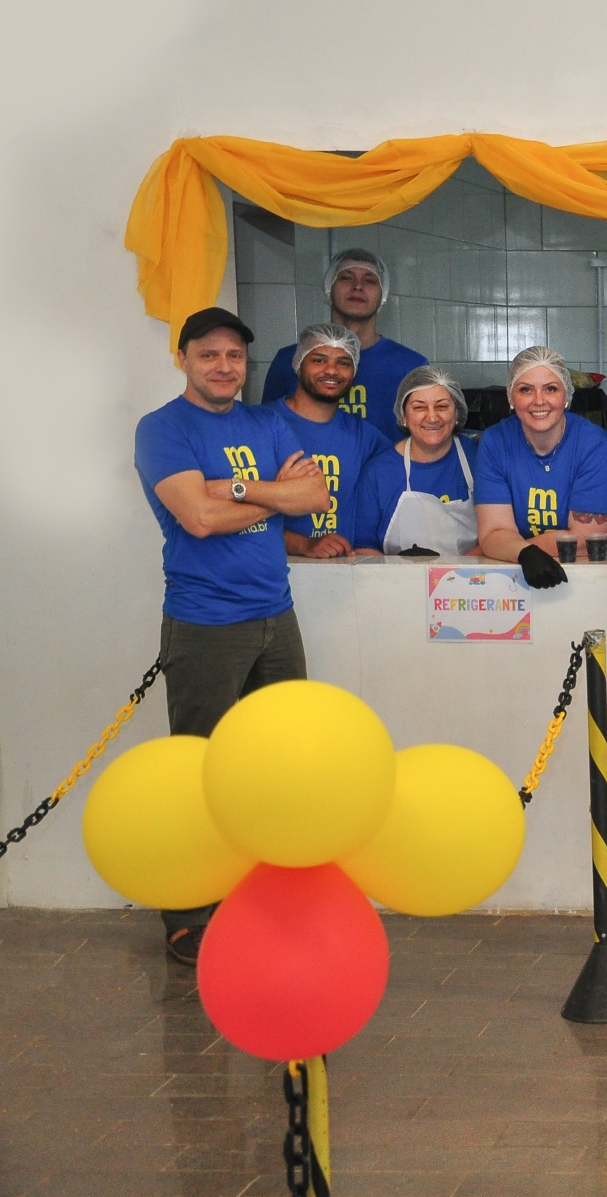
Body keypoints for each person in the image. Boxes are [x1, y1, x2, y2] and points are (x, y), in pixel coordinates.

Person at [132, 307, 329, 964]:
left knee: (278, 766)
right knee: (199, 771)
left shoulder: (266, 421)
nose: (224, 367)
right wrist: (273, 494)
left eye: (234, 356)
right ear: (183, 359)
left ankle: (265, 898)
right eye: (209, 354)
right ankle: (189, 913)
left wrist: (238, 487)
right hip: (206, 622)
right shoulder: (163, 428)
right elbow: (199, 518)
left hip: (277, 615)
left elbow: (315, 496)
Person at [473, 346, 607, 589]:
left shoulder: (593, 443)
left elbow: (586, 540)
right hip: (517, 569)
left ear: (566, 396)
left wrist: (513, 547)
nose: (539, 401)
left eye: (551, 389)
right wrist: (523, 553)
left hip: (589, 572)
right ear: (511, 397)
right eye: (525, 389)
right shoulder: (495, 442)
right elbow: (494, 532)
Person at [260, 248, 427, 443]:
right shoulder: (288, 360)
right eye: (346, 278)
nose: (357, 286)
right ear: (328, 288)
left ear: (383, 295)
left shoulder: (410, 366)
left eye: (369, 280)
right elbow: (266, 431)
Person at [273, 324, 387, 559]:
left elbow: (410, 464)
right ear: (298, 363)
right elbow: (235, 510)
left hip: (342, 569)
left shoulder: (364, 435)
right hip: (275, 569)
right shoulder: (262, 425)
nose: (332, 371)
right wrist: (303, 544)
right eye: (319, 360)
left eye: (343, 363)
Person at [356, 367, 481, 557]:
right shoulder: (379, 472)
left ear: (456, 413)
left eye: (442, 406)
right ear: (404, 416)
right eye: (419, 407)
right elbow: (364, 545)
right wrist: (403, 573)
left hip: (474, 573)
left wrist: (454, 571)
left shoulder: (480, 459)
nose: (432, 417)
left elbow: (497, 533)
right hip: (397, 576)